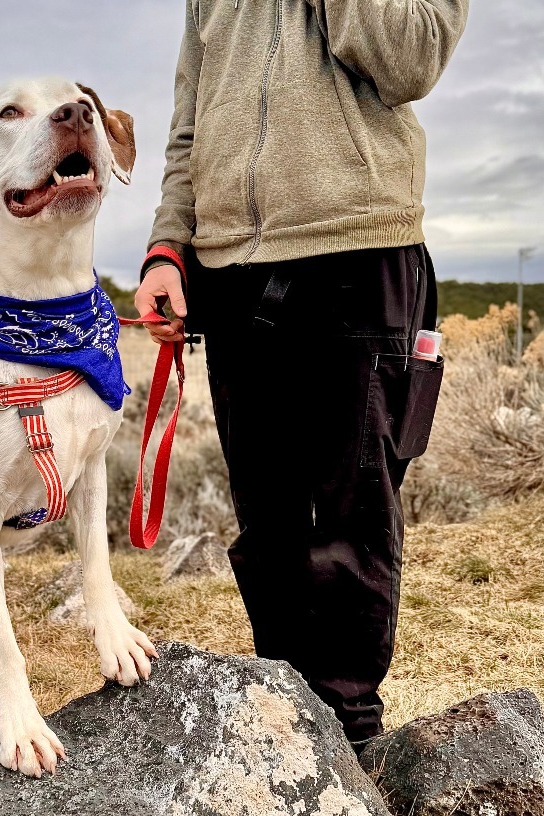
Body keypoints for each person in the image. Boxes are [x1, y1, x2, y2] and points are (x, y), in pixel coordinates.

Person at [134, 0, 468, 752]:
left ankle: (351, 758)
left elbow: (410, 57)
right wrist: (168, 247)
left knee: (347, 524)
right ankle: (292, 748)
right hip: (230, 268)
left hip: (355, 251)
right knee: (270, 525)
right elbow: (191, 124)